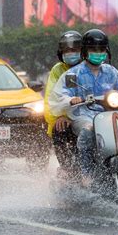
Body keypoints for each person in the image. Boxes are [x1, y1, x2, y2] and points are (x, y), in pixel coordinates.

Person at [50, 29, 118, 186]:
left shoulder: (111, 71)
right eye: (94, 50)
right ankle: (86, 174)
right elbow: (59, 95)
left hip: (108, 115)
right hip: (83, 116)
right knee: (88, 130)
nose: (98, 53)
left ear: (106, 51)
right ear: (85, 51)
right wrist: (71, 99)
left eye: (101, 50)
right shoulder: (74, 73)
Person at [44, 30, 83, 177]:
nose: (70, 53)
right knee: (58, 129)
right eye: (66, 50)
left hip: (92, 115)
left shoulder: (92, 67)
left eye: (74, 50)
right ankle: (67, 170)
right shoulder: (57, 70)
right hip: (67, 118)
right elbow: (51, 98)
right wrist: (58, 117)